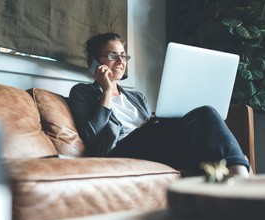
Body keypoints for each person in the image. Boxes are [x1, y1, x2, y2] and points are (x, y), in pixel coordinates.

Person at [68, 32, 250, 177]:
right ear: (94, 61)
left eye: (123, 56)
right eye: (112, 55)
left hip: (150, 146)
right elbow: (91, 137)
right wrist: (106, 91)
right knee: (204, 116)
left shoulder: (137, 97)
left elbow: (151, 129)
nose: (121, 61)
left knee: (205, 117)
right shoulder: (82, 92)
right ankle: (242, 176)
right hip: (119, 150)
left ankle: (234, 174)